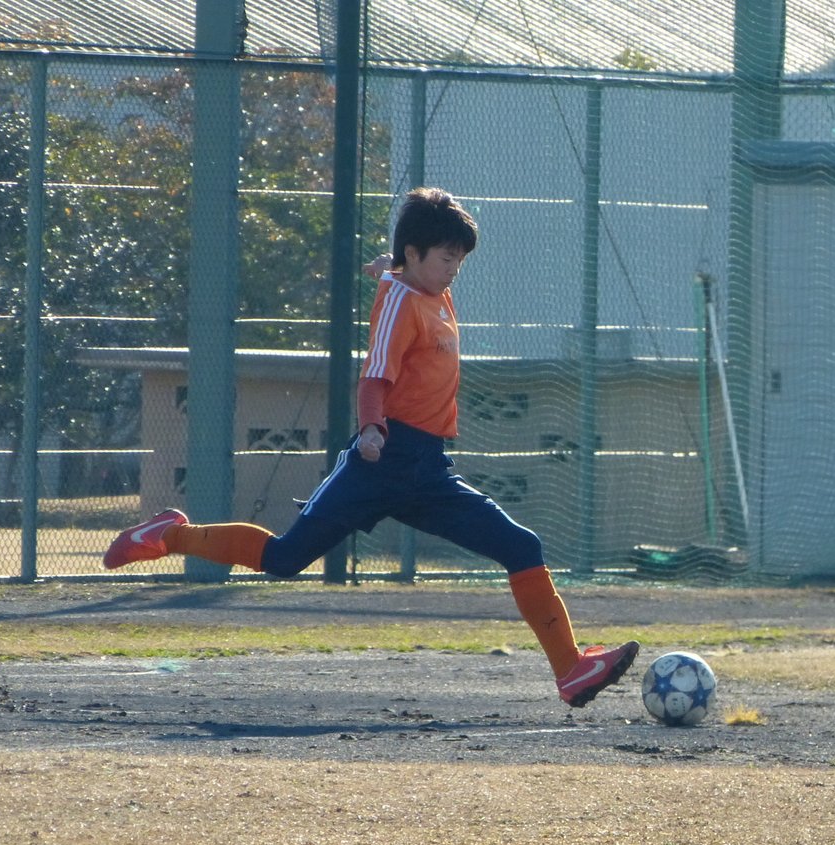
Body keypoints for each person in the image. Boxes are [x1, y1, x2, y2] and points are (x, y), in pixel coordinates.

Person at [103, 187, 639, 708]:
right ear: (415, 253)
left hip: (428, 469)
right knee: (285, 559)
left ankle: (570, 669)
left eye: (460, 258)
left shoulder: (428, 288)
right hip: (380, 461)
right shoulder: (401, 304)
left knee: (521, 546)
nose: (455, 268)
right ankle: (169, 535)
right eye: (446, 257)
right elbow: (375, 375)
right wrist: (372, 429)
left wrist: (387, 267)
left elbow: (396, 272)